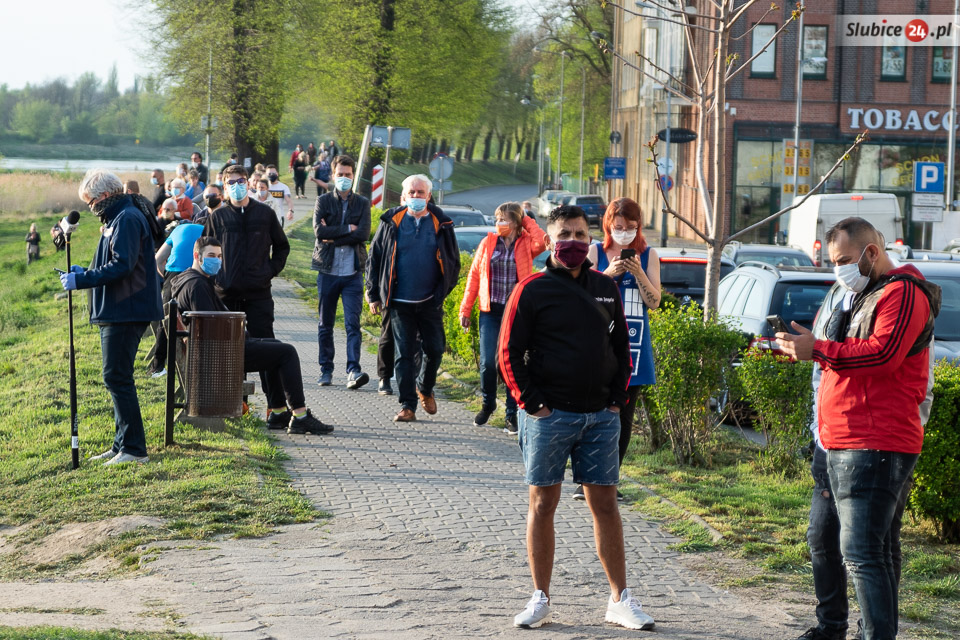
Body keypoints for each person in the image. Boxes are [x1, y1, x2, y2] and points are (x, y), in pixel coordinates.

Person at [776, 217, 941, 640]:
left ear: (871, 252)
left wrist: (819, 349)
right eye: (833, 262)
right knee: (850, 546)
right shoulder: (862, 293)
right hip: (840, 439)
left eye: (844, 260)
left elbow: (882, 355)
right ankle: (837, 628)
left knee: (864, 553)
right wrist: (807, 349)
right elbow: (845, 353)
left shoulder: (903, 292)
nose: (839, 269)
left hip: (875, 441)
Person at [498, 204, 654, 631]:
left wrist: (617, 400)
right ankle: (540, 598)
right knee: (543, 503)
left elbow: (622, 349)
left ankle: (620, 599)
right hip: (549, 417)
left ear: (590, 240)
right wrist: (534, 405)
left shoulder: (605, 287)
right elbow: (508, 354)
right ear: (549, 240)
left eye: (581, 235)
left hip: (601, 417)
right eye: (564, 235)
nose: (573, 242)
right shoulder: (531, 289)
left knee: (605, 505)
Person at [172, 237, 332, 435]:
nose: (217, 260)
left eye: (220, 256)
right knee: (287, 352)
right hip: (219, 355)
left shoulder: (187, 279)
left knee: (275, 346)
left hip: (215, 349)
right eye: (211, 255)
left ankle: (279, 412)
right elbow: (210, 328)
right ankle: (300, 416)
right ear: (197, 256)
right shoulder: (197, 286)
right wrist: (240, 332)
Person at [59, 169, 163, 465]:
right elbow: (113, 261)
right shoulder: (117, 217)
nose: (90, 207)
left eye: (91, 202)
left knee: (116, 377)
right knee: (116, 376)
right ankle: (121, 444)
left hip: (127, 308)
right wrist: (85, 272)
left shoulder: (126, 218)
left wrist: (82, 280)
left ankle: (134, 448)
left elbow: (123, 266)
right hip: (120, 307)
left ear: (105, 196)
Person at [582, 197, 660, 501]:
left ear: (638, 226)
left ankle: (609, 482)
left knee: (623, 418)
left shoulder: (649, 255)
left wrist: (639, 273)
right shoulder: (595, 252)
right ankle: (587, 479)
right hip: (597, 346)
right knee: (594, 414)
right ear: (608, 225)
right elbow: (581, 296)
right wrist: (608, 275)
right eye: (619, 227)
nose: (624, 233)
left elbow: (654, 302)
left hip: (634, 348)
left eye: (630, 227)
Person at [365, 174, 459, 422]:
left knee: (435, 350)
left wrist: (441, 293)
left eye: (420, 193)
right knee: (404, 354)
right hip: (399, 302)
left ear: (429, 196)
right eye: (412, 193)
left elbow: (453, 261)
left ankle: (425, 388)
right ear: (403, 196)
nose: (416, 197)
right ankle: (408, 405)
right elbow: (374, 257)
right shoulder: (391, 222)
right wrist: (373, 292)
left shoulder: (442, 223)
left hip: (429, 301)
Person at [203, 164, 290, 408]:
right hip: (226, 294)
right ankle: (235, 404)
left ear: (248, 183)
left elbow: (282, 246)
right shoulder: (218, 217)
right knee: (230, 351)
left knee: (267, 348)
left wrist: (269, 271)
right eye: (231, 183)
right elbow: (205, 249)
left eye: (240, 181)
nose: (237, 186)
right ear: (225, 187)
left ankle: (275, 407)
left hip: (258, 294)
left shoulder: (265, 214)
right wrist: (215, 278)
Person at [458, 202, 547, 433]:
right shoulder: (488, 242)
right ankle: (488, 404)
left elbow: (542, 241)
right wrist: (465, 309)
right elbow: (474, 276)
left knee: (511, 363)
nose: (500, 223)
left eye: (505, 219)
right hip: (490, 311)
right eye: (498, 219)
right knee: (488, 363)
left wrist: (526, 219)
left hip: (515, 312)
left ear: (516, 223)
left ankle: (511, 414)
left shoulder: (526, 243)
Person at [312, 154, 371, 390]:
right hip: (327, 271)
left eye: (348, 174)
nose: (344, 178)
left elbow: (363, 234)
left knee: (352, 324)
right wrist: (347, 228)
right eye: (340, 174)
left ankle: (353, 370)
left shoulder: (363, 203)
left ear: (353, 176)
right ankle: (325, 370)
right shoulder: (323, 201)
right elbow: (319, 232)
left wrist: (332, 236)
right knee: (325, 324)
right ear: (333, 175)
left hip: (352, 273)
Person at [150, 211, 205, 376]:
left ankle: (157, 366)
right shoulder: (208, 231)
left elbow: (158, 259)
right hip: (197, 274)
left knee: (167, 320)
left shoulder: (178, 229)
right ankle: (197, 364)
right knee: (199, 318)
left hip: (173, 274)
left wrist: (166, 276)